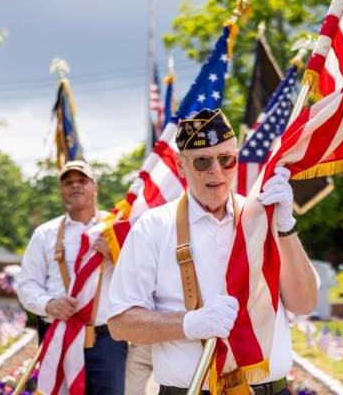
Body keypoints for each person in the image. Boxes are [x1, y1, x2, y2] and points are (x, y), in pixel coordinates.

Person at [107, 108, 318, 395]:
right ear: (181, 166)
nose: (216, 171)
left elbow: (304, 303)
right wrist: (188, 323)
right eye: (202, 162)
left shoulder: (259, 218)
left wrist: (285, 227)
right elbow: (121, 324)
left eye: (226, 159)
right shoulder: (153, 227)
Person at [16, 160, 127, 394]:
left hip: (107, 340)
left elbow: (143, 276)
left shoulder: (118, 228)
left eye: (82, 181)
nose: (75, 186)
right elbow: (26, 284)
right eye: (68, 182)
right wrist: (49, 304)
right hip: (59, 335)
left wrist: (117, 253)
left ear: (95, 187)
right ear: (61, 191)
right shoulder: (44, 234)